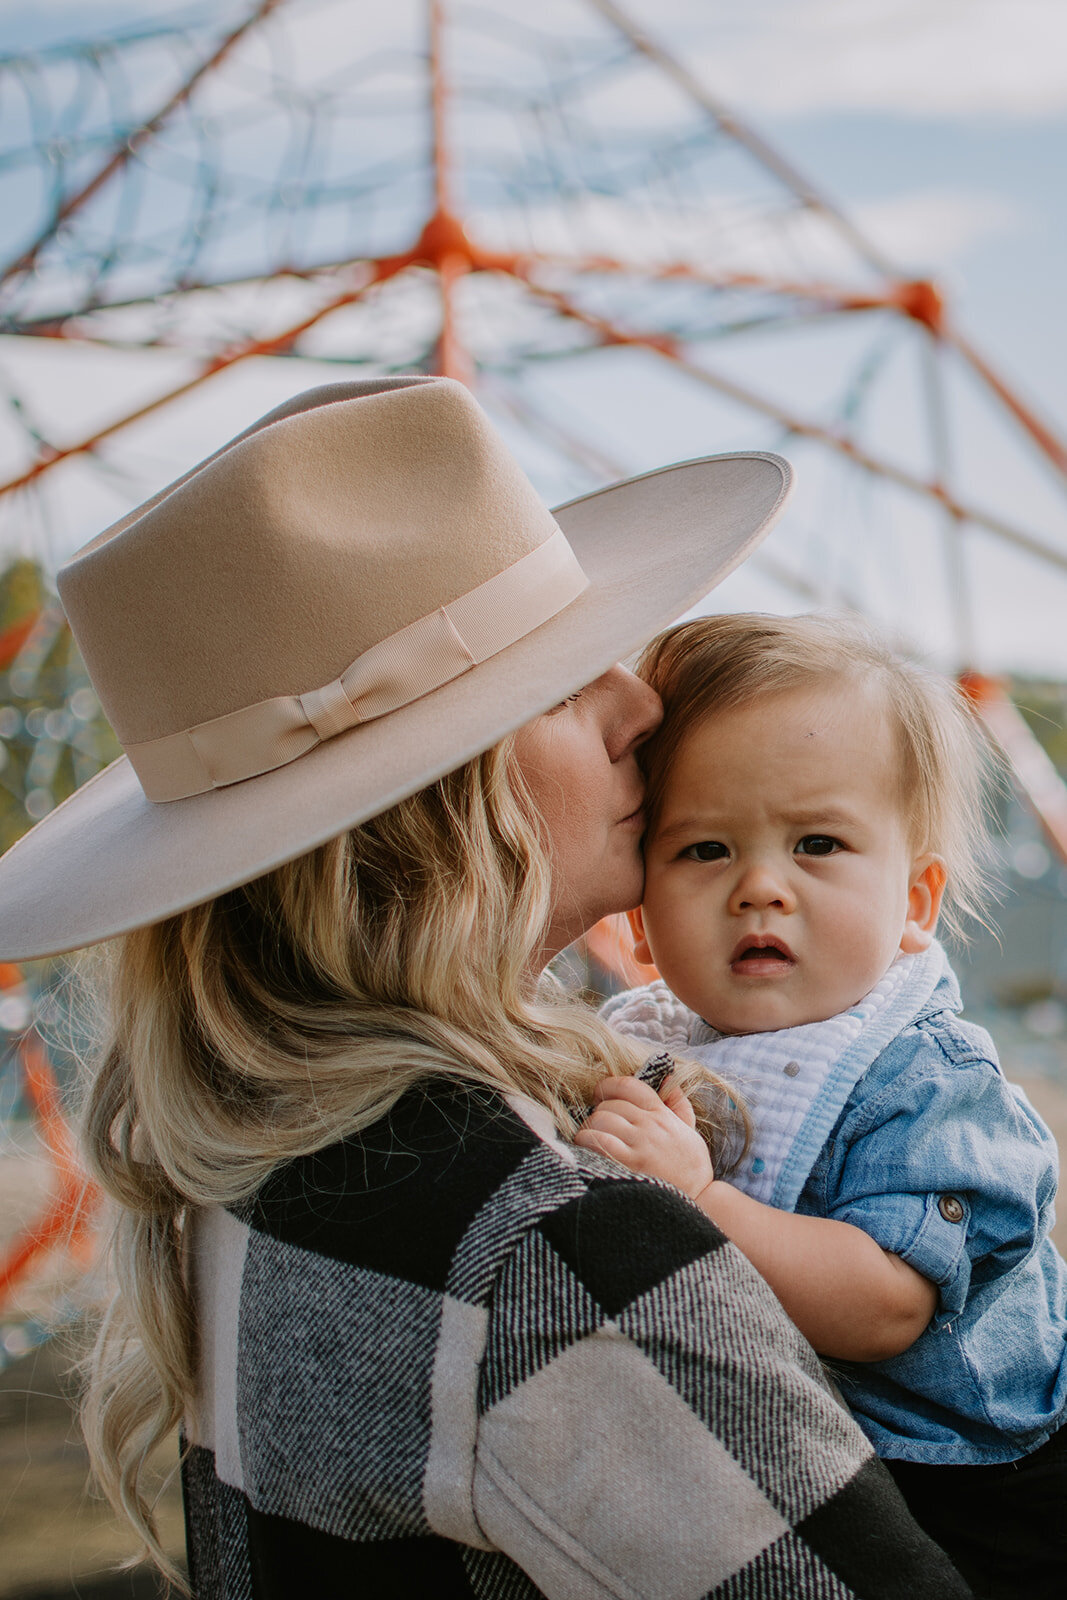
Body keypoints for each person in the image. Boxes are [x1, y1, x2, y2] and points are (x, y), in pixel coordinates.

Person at [0, 379, 973, 1599]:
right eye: (560, 683)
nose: (640, 704)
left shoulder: (252, 1157)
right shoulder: (547, 1244)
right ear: (432, 805)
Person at [584, 611, 1067, 1599]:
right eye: (704, 849)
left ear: (913, 903)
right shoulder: (652, 1041)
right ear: (638, 918)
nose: (760, 886)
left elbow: (887, 1302)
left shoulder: (920, 1076)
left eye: (816, 842)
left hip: (970, 1475)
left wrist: (700, 1201)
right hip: (805, 1454)